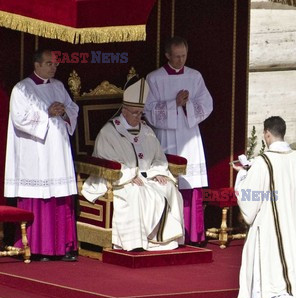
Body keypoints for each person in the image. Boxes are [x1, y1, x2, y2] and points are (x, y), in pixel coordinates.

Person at [82, 78, 184, 251]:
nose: (138, 117)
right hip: (120, 180)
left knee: (169, 188)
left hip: (146, 177)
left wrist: (157, 172)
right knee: (136, 192)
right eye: (135, 113)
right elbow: (106, 159)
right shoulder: (109, 132)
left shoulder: (147, 130)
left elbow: (159, 158)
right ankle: (135, 242)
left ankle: (164, 239)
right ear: (124, 110)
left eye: (140, 113)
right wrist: (129, 175)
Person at [232, 116, 296, 298]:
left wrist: (242, 175)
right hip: (293, 226)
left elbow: (250, 202)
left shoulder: (262, 162)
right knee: (290, 272)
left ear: (267, 134)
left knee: (271, 273)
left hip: (269, 227)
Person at [4, 49, 79, 262]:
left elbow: (73, 109)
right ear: (36, 65)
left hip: (59, 151)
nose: (53, 67)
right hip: (35, 152)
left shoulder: (58, 86)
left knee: (59, 196)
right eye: (49, 63)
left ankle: (62, 247)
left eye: (55, 64)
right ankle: (38, 248)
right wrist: (47, 112)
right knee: (40, 197)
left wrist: (63, 111)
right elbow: (19, 118)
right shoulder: (22, 89)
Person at [145, 36, 213, 245]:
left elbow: (207, 103)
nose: (181, 60)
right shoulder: (154, 78)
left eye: (184, 56)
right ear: (167, 55)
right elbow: (148, 110)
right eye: (176, 57)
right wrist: (173, 103)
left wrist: (188, 106)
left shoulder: (195, 76)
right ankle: (169, 233)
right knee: (169, 183)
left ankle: (193, 233)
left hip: (190, 134)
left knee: (191, 183)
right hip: (166, 135)